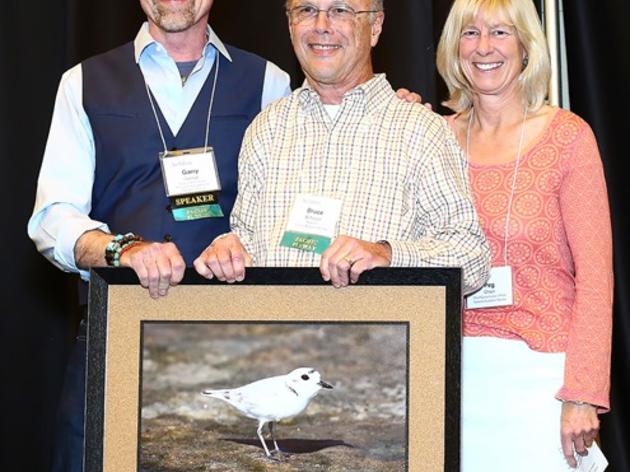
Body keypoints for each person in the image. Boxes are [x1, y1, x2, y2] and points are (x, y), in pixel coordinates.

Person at [27, 1, 292, 470]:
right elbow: (52, 216)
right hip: (113, 336)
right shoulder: (82, 83)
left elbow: (290, 208)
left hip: (235, 337)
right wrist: (120, 248)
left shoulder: (270, 82)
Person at [193, 0, 491, 294]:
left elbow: (471, 256)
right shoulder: (267, 128)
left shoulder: (420, 130)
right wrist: (228, 251)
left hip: (374, 340)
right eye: (307, 11)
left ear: (375, 26)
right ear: (290, 25)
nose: (321, 27)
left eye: (340, 11)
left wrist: (388, 256)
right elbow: (246, 241)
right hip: (276, 339)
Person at [436, 0, 613, 469]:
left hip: (543, 379)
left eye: (500, 33)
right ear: (454, 49)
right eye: (469, 33)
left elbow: (597, 276)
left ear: (527, 48)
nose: (484, 47)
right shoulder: (430, 138)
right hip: (449, 373)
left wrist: (583, 392)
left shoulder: (568, 138)